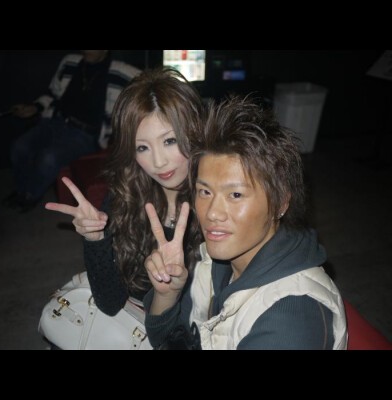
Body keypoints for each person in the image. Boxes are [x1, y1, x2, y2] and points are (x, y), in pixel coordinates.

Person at [143, 95, 348, 350]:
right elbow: (165, 341)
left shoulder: (291, 320)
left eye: (236, 195)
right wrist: (167, 294)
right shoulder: (213, 263)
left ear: (281, 204)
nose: (212, 213)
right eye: (205, 191)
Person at [45, 67, 204, 318]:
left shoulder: (218, 203)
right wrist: (96, 239)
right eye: (142, 147)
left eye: (169, 141)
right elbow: (110, 303)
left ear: (194, 133)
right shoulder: (127, 195)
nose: (158, 162)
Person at [6, 50, 141, 212]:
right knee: (19, 147)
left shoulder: (120, 71)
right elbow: (52, 93)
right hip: (55, 122)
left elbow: (149, 82)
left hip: (86, 134)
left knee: (48, 158)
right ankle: (21, 190)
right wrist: (35, 107)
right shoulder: (69, 62)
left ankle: (29, 196)